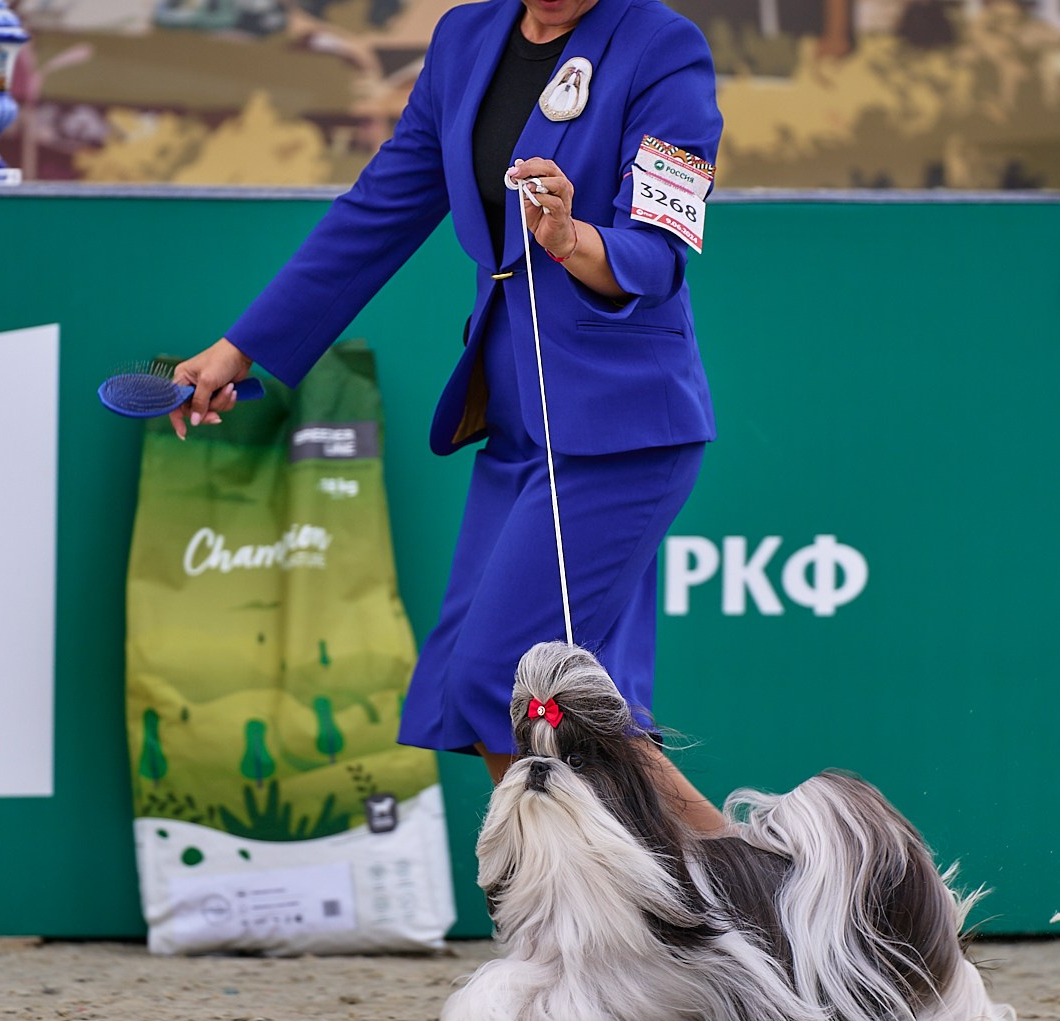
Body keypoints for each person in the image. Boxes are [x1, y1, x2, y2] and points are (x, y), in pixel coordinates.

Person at [170, 0, 726, 832]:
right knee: (536, 705)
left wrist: (574, 239)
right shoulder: (466, 38)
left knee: (510, 682)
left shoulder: (663, 46)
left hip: (620, 431)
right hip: (515, 428)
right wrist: (241, 348)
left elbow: (660, 253)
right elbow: (377, 211)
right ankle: (677, 921)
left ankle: (735, 905)